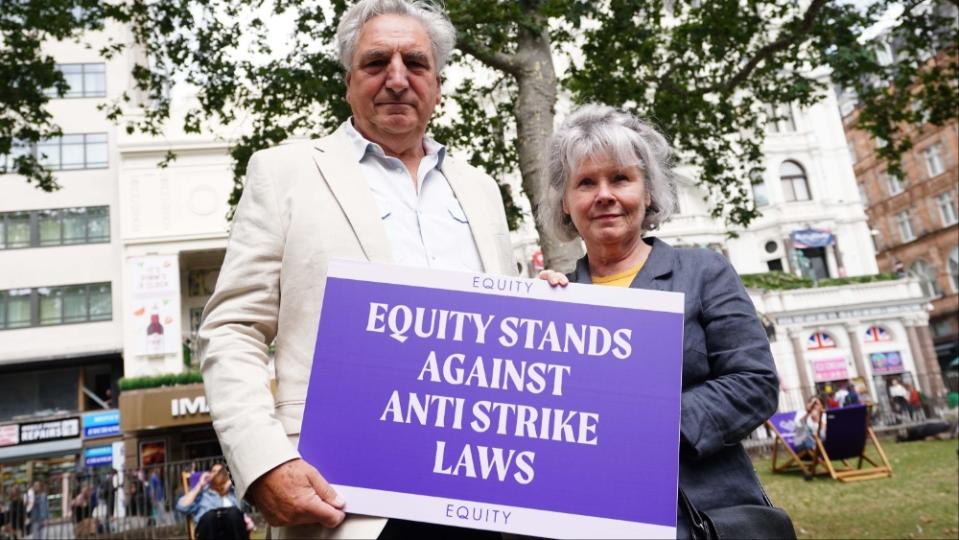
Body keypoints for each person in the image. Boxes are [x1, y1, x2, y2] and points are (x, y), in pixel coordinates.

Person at [198, 0, 517, 537]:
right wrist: (264, 462)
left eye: (415, 63)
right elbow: (232, 330)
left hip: (483, 497)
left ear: (437, 83)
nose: (397, 79)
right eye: (376, 63)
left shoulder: (483, 191)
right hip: (347, 504)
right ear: (349, 82)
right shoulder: (284, 173)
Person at [536, 104, 780, 538]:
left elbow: (755, 383)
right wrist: (530, 317)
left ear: (648, 193)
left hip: (704, 520)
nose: (604, 194)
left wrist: (649, 422)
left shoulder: (704, 271)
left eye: (621, 178)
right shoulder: (555, 298)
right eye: (586, 183)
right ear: (566, 204)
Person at [176, 464, 249, 540]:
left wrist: (234, 484)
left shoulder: (233, 493)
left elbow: (249, 504)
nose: (217, 474)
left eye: (220, 472)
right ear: (209, 475)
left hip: (232, 533)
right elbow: (182, 507)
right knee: (209, 517)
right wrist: (199, 486)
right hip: (209, 532)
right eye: (214, 471)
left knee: (234, 514)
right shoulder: (202, 494)